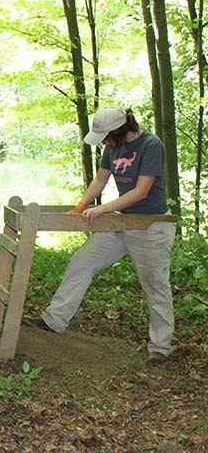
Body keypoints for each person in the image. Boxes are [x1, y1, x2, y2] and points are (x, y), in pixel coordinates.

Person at [24, 105, 177, 365]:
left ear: (120, 130)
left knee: (155, 284)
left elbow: (141, 192)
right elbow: (100, 180)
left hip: (150, 225)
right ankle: (54, 320)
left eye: (107, 137)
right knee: (82, 261)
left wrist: (102, 209)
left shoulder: (151, 145)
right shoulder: (113, 147)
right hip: (120, 221)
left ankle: (160, 346)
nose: (105, 142)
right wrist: (82, 205)